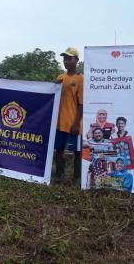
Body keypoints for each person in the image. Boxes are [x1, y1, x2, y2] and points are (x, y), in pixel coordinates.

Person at [52, 47, 83, 186]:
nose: (66, 61)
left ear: (76, 60)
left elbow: (81, 104)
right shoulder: (60, 78)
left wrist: (77, 123)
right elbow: (52, 96)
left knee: (77, 152)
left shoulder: (80, 79)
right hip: (59, 122)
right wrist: (54, 86)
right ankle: (58, 176)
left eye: (69, 58)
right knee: (59, 150)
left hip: (73, 123)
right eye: (64, 58)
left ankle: (76, 179)